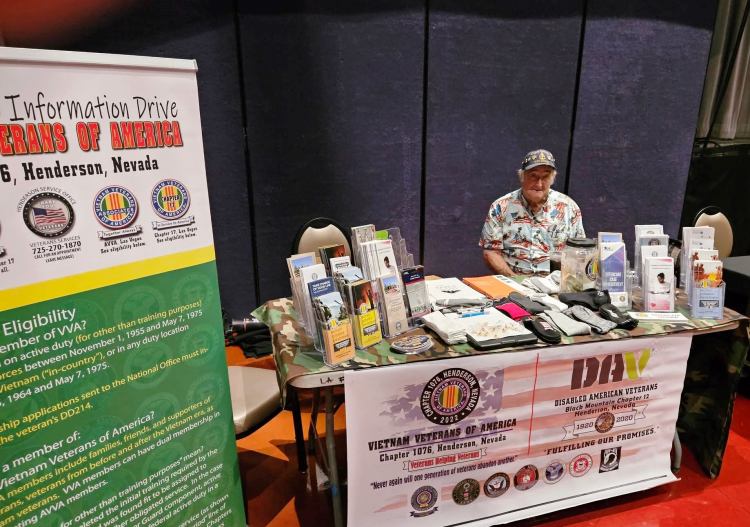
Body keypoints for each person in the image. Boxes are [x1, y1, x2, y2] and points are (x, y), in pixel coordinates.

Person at [479, 149, 585, 275]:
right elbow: (491, 252)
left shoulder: (569, 207)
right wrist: (515, 281)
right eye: (533, 176)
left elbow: (579, 252)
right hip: (512, 280)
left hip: (555, 281)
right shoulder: (500, 207)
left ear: (552, 179)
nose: (539, 184)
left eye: (545, 177)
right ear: (522, 177)